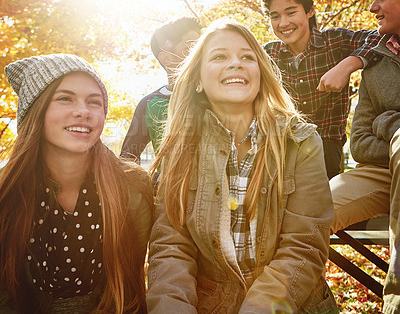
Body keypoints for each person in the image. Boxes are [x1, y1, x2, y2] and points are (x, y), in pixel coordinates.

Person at [146, 19, 337, 313]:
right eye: (219, 56)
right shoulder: (180, 148)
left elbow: (303, 246)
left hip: (292, 305)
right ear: (197, 79)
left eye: (247, 57)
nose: (235, 63)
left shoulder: (300, 141)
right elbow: (171, 247)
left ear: (260, 74)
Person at [0, 54, 153, 313]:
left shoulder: (132, 186)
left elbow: (131, 289)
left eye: (94, 102)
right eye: (64, 98)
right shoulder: (7, 192)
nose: (83, 111)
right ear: (35, 111)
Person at [329, 0, 400, 312]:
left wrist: (388, 124)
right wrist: (394, 129)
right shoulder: (376, 62)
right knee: (304, 212)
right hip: (381, 171)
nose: (373, 6)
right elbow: (359, 142)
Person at [262, 0, 381, 179]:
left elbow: (382, 38)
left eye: (291, 12)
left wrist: (347, 65)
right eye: (275, 16)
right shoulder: (268, 53)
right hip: (280, 146)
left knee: (324, 206)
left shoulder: (334, 41)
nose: (283, 23)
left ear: (310, 11)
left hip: (326, 149)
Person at [120, 17, 202, 162]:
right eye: (190, 48)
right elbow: (127, 161)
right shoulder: (150, 104)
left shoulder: (216, 95)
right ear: (167, 59)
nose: (200, 54)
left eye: (201, 47)